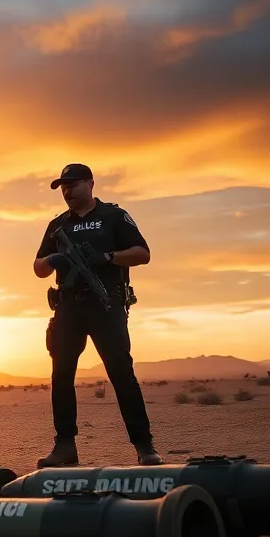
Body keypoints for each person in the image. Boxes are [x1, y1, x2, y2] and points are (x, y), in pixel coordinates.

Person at [32, 163, 161, 468]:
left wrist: (108, 257)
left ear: (90, 183)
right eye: (63, 187)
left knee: (121, 373)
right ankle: (65, 446)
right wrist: (55, 258)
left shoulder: (113, 216)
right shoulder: (57, 225)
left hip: (106, 305)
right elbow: (38, 268)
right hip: (68, 308)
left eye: (73, 185)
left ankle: (144, 445)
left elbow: (142, 253)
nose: (67, 192)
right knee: (61, 376)